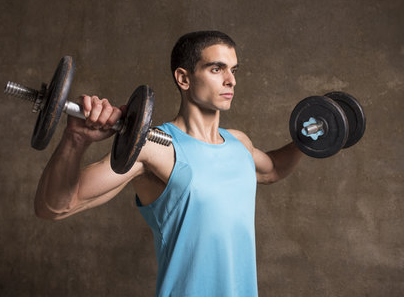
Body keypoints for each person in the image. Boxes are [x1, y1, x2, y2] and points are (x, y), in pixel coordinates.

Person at [34, 31, 304, 296]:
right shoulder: (155, 147)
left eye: (234, 70)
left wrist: (313, 136)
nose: (231, 80)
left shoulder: (239, 143)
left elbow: (274, 169)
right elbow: (55, 207)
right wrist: (76, 139)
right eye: (217, 69)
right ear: (184, 78)